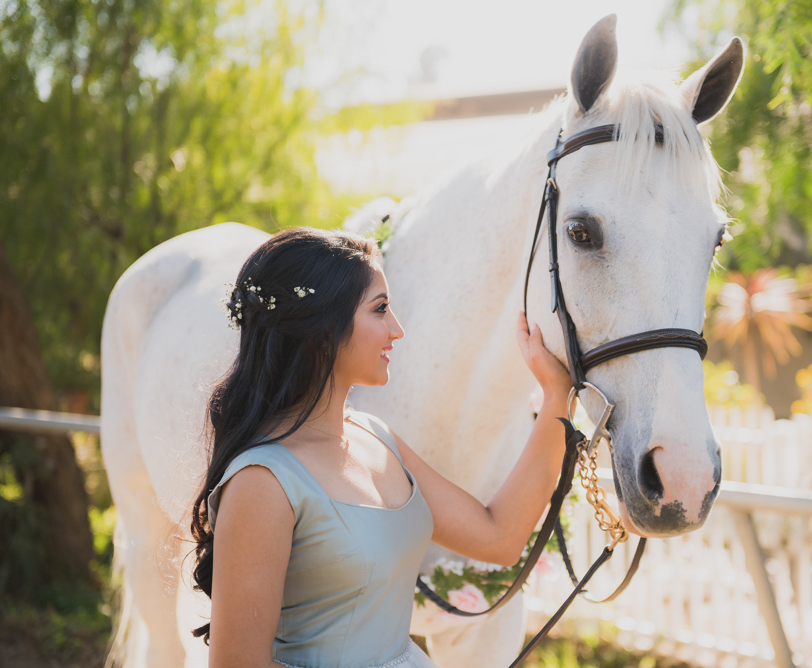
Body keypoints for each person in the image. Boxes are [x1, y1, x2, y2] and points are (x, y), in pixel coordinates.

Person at [190, 227, 572, 668]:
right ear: (321, 327)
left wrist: (556, 395)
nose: (398, 330)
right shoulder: (263, 482)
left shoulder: (378, 438)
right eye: (381, 309)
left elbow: (499, 536)